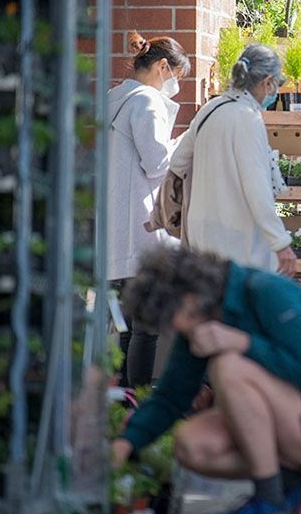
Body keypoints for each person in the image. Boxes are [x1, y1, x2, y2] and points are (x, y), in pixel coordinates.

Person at [110, 246, 301, 514]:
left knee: (228, 367)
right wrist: (126, 442)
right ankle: (294, 485)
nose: (172, 329)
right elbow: (171, 396)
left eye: (169, 319)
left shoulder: (266, 291)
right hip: (293, 418)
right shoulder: (201, 318)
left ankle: (269, 501)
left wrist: (242, 341)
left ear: (187, 298)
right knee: (191, 443)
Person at [107, 31, 191, 388]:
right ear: (162, 67)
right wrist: (185, 142)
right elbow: (157, 163)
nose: (175, 85)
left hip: (113, 231)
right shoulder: (146, 101)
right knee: (146, 329)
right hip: (141, 229)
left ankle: (120, 407)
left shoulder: (114, 97)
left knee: (124, 329)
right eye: (177, 76)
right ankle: (138, 406)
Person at [170, 44, 296, 276]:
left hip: (200, 233)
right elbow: (256, 186)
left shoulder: (211, 108)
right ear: (267, 82)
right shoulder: (247, 118)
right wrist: (281, 243)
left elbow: (178, 162)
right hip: (237, 238)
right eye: (277, 85)